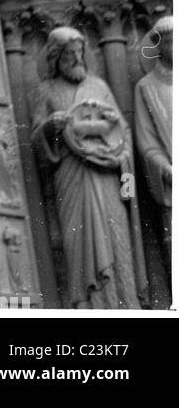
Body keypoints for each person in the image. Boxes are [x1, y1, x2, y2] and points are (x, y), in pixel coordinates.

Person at [33, 28, 140, 308]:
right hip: (71, 176)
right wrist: (48, 127)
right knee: (77, 243)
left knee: (115, 240)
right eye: (70, 54)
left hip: (104, 175)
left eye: (80, 53)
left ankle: (124, 304)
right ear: (56, 57)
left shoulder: (99, 87)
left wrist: (121, 157)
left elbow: (121, 129)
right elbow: (35, 137)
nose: (77, 59)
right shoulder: (46, 90)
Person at [134, 17, 173, 257]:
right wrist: (167, 169)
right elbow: (147, 143)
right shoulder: (146, 87)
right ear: (159, 47)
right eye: (171, 43)